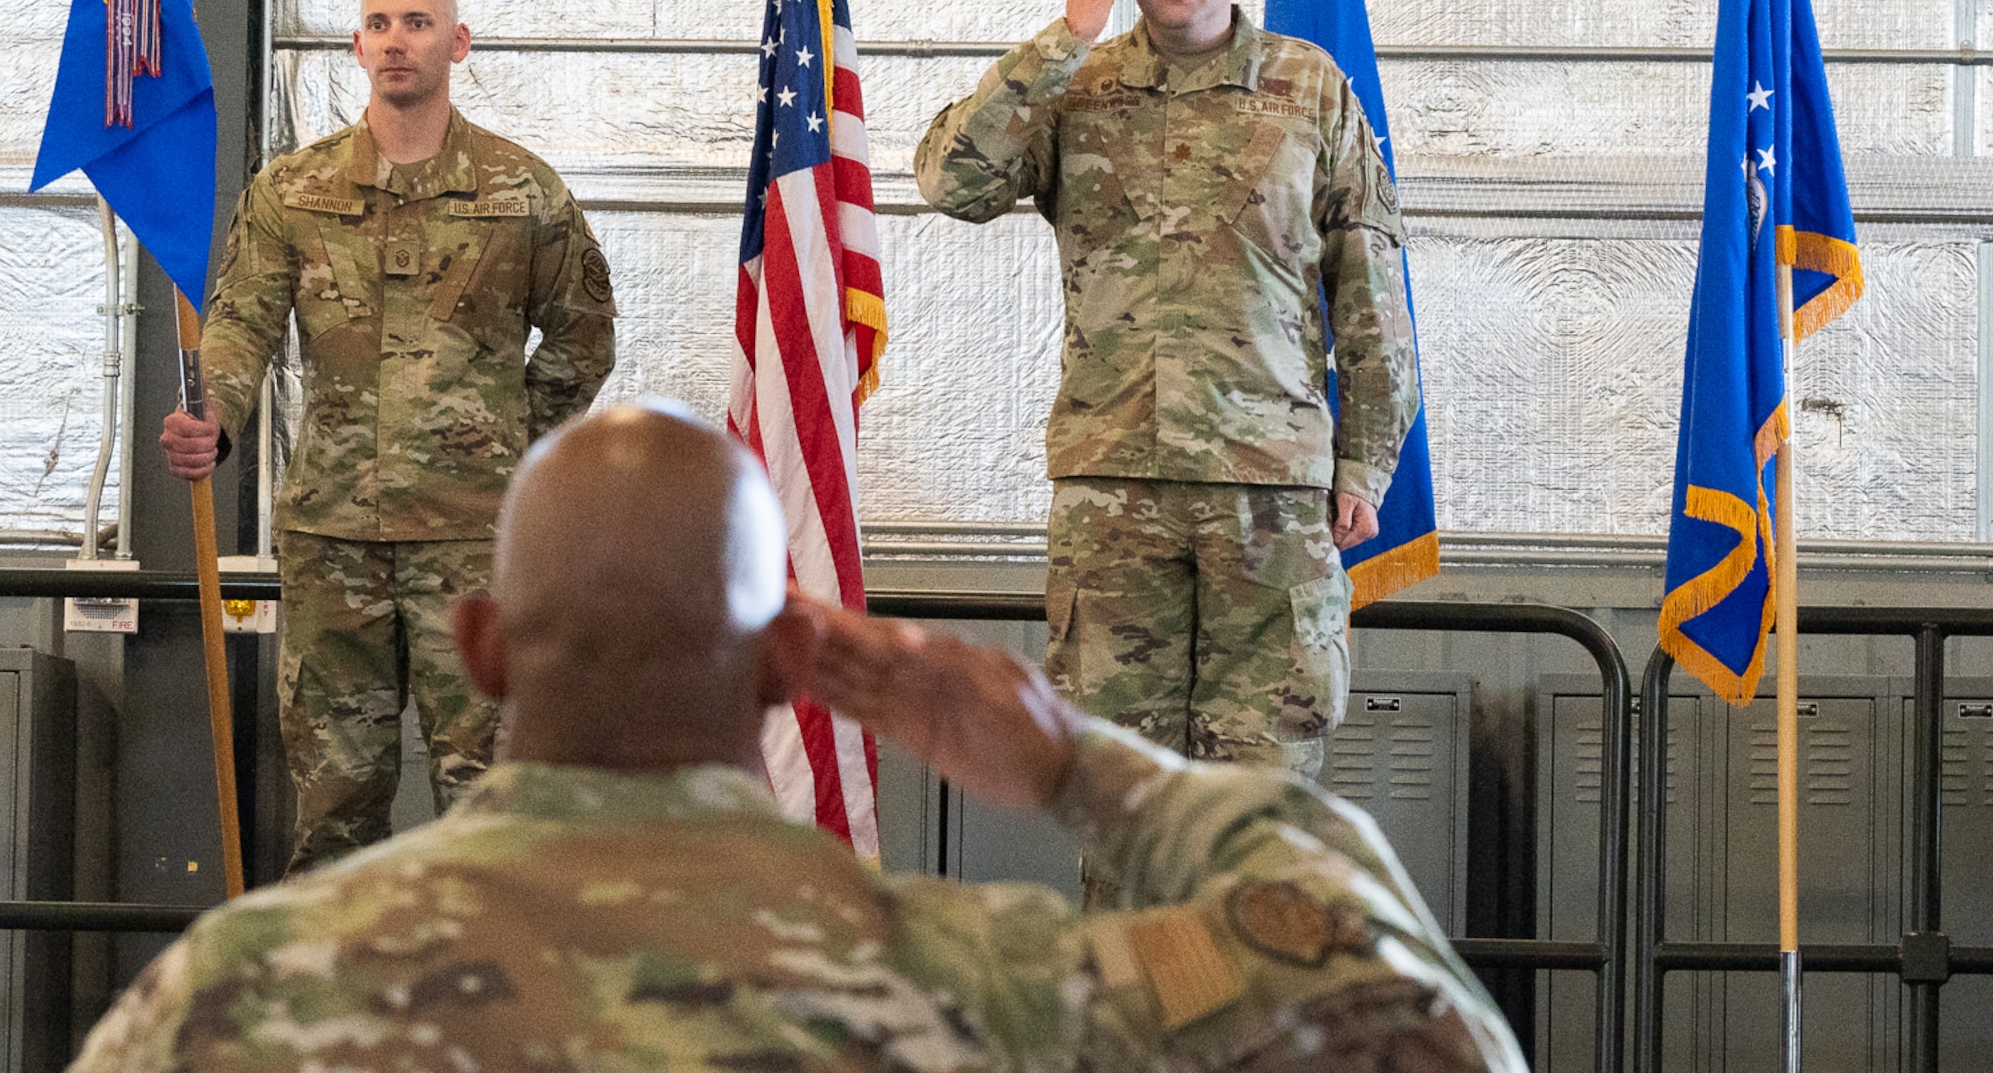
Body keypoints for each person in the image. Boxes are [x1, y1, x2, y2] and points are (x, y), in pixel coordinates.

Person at [73, 401, 1523, 1072]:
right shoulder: (982, 990)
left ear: (481, 648)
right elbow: (1406, 1008)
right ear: (792, 666)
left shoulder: (233, 996)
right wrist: (1086, 764)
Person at [914, 0, 1418, 781]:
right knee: (1116, 795)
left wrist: (1368, 463)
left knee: (1264, 805)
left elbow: (1370, 287)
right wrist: (1060, 39)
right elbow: (949, 180)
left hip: (1269, 494)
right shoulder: (1077, 86)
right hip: (1115, 495)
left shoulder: (1309, 89)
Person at [158, 0, 617, 873]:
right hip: (334, 542)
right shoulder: (295, 189)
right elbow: (243, 321)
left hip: (475, 545)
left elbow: (583, 335)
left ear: (459, 43)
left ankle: (492, 1004)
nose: (397, 38)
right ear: (357, 47)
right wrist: (217, 414)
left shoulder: (523, 192)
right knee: (334, 810)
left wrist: (508, 445)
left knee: (490, 803)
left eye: (417, 22)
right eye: (379, 23)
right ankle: (342, 1006)